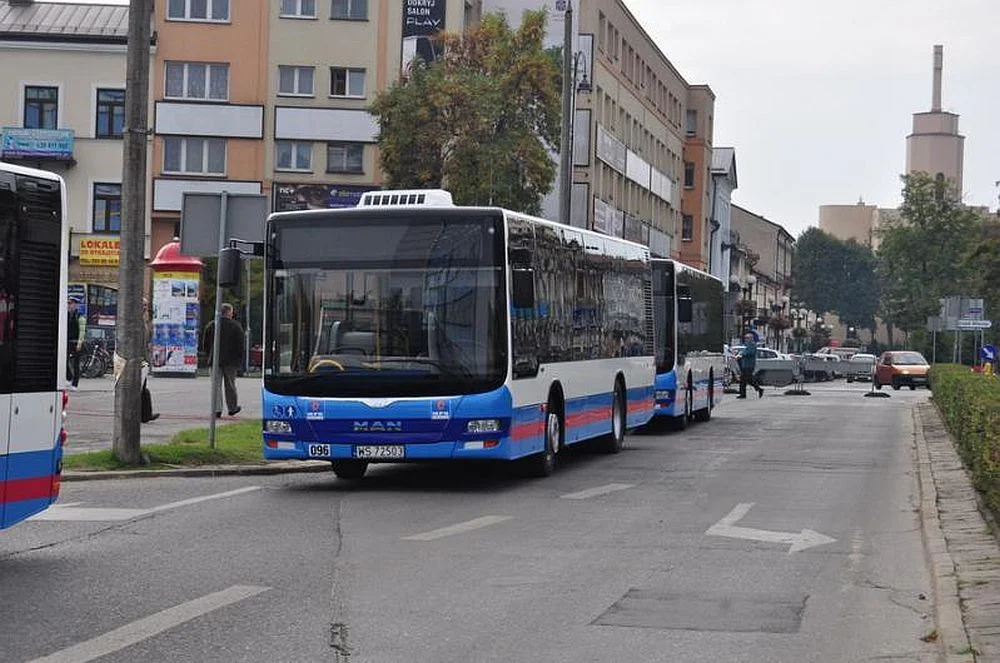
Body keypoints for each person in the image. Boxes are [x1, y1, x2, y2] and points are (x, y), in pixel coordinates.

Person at [203, 302, 244, 417]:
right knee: (230, 385)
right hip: (231, 361)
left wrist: (209, 355)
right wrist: (239, 361)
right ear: (228, 312)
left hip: (215, 360)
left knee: (216, 385)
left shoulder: (211, 325)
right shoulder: (236, 326)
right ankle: (232, 407)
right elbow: (240, 345)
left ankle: (217, 409)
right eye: (231, 312)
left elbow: (205, 343)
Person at [141, 297, 159, 423]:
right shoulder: (135, 321)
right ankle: (145, 415)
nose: (145, 308)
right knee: (142, 390)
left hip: (143, 359)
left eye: (146, 305)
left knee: (143, 389)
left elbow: (146, 340)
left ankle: (145, 415)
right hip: (138, 360)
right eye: (143, 305)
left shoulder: (144, 321)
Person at [737, 331, 764, 399]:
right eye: (745, 338)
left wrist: (741, 355)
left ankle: (759, 389)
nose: (746, 339)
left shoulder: (752, 345)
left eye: (747, 338)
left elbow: (750, 353)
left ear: (751, 338)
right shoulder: (747, 346)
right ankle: (743, 394)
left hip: (749, 365)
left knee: (749, 379)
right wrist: (739, 354)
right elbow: (744, 352)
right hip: (745, 365)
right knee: (743, 380)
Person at [66, 296, 85, 391]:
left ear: (75, 305)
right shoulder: (67, 315)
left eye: (70, 303)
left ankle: (75, 384)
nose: (69, 305)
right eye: (68, 303)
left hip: (76, 342)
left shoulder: (80, 316)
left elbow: (82, 331)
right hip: (68, 341)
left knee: (76, 364)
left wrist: (79, 343)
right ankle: (69, 377)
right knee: (64, 360)